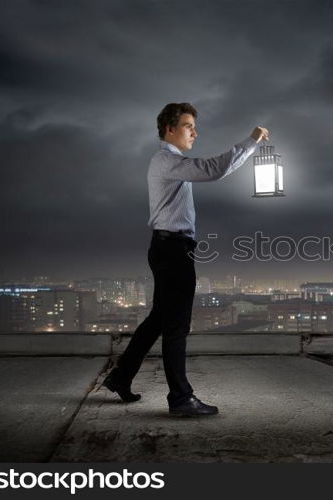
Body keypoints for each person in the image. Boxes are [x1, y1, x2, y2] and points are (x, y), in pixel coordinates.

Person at [103, 102, 269, 417]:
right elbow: (214, 169)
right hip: (173, 250)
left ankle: (120, 377)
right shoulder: (167, 161)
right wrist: (251, 142)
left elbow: (213, 169)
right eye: (188, 125)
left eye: (194, 125)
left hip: (168, 248)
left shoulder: (169, 163)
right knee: (176, 326)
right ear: (170, 128)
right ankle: (180, 398)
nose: (195, 131)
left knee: (158, 321)